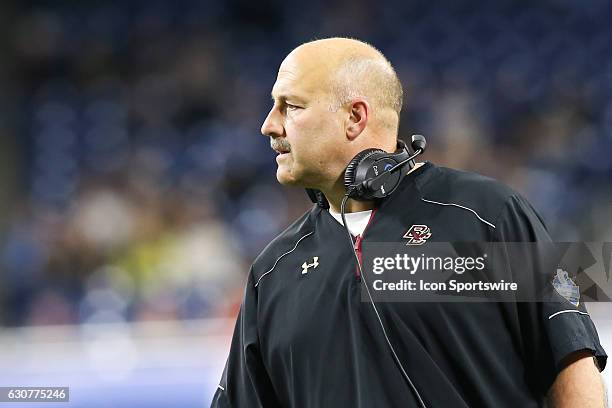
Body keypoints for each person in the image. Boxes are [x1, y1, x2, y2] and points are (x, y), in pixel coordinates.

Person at [211, 37, 607, 407]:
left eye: (291, 106)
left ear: (354, 117)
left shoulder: (487, 214)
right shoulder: (273, 271)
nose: (269, 125)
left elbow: (571, 363)